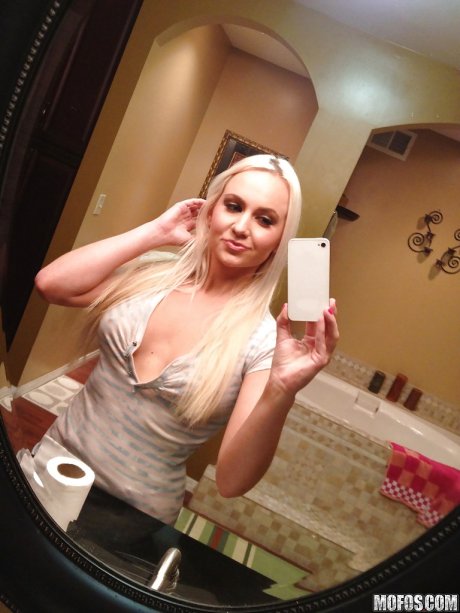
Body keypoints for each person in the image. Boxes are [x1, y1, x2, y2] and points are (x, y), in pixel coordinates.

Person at [34, 154, 339, 525]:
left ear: (278, 241)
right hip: (50, 469)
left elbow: (231, 482)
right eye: (233, 206)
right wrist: (156, 233)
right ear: (211, 212)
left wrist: (281, 391)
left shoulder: (262, 343)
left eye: (265, 220)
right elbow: (51, 285)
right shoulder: (152, 275)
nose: (241, 227)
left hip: (134, 518)